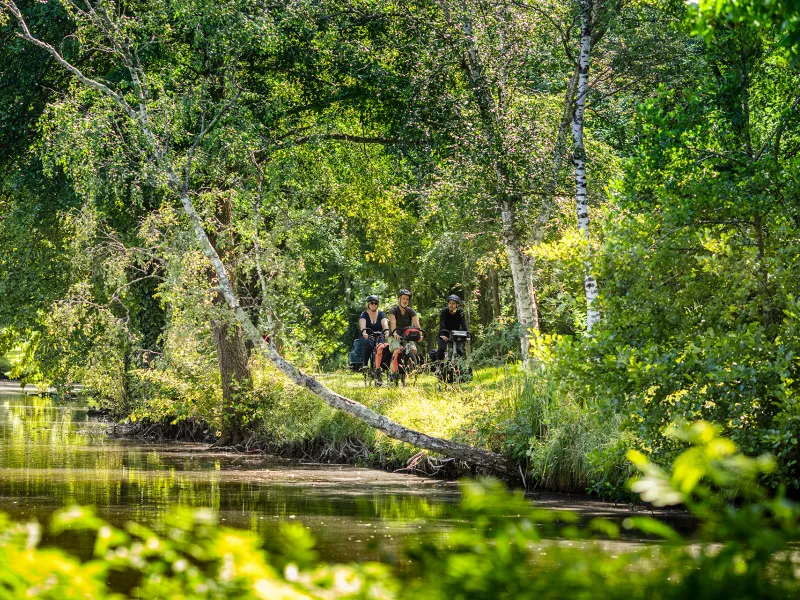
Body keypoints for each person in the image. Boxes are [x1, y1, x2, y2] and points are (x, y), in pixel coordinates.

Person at [388, 289, 423, 370]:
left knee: (413, 351)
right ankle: (392, 370)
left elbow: (416, 323)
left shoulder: (411, 311)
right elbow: (393, 322)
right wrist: (394, 333)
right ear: (399, 299)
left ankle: (408, 371)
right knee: (397, 350)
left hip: (407, 336)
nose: (405, 301)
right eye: (403, 298)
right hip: (394, 336)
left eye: (407, 299)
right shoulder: (393, 310)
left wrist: (420, 334)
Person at [435, 294, 469, 362]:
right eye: (450, 303)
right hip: (445, 333)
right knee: (441, 349)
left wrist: (467, 335)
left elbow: (463, 324)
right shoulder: (444, 312)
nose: (451, 305)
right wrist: (442, 334)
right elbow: (442, 323)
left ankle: (460, 368)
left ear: (457, 305)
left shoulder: (460, 312)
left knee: (459, 351)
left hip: (456, 334)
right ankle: (438, 365)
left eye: (453, 303)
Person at [358, 295, 389, 369]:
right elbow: (363, 326)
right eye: (372, 303)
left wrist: (387, 332)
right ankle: (365, 363)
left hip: (379, 335)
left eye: (376, 303)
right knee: (368, 343)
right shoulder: (364, 314)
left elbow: (385, 324)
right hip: (367, 336)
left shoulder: (381, 314)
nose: (374, 305)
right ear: (368, 304)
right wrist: (364, 333)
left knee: (383, 346)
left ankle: (382, 366)